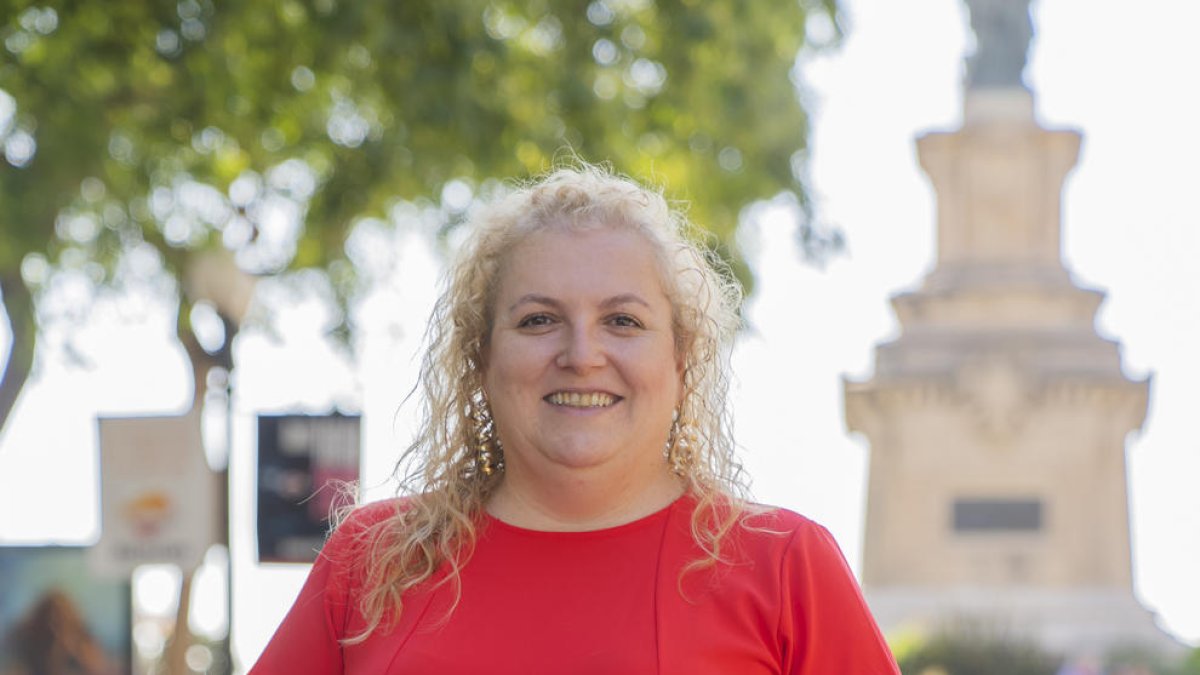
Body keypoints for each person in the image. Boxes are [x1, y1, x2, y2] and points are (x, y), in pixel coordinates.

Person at [251, 164, 900, 673]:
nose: (582, 355)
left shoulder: (786, 567)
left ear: (681, 358)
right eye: (538, 320)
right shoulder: (374, 561)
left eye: (623, 321)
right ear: (481, 356)